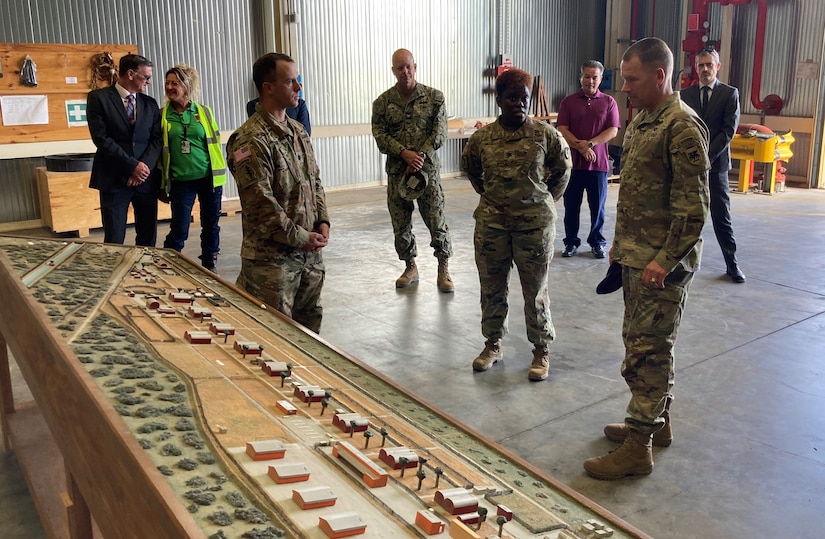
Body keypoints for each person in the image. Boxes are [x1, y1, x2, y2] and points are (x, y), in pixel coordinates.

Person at [583, 37, 710, 480]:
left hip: (662, 266)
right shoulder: (642, 122)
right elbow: (637, 192)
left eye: (632, 79)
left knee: (647, 353)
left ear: (660, 76)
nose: (625, 89)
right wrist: (619, 245)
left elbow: (693, 208)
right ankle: (658, 425)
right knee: (644, 345)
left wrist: (665, 259)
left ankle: (639, 447)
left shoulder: (682, 126)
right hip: (637, 258)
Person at [460, 68, 572, 381]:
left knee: (535, 291)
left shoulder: (544, 134)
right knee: (492, 288)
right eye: (512, 98)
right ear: (499, 100)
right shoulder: (483, 138)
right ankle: (493, 345)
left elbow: (563, 169)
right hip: (492, 226)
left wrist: (544, 201)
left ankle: (540, 350)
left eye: (524, 99)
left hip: (534, 228)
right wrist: (491, 196)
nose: (519, 104)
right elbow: (470, 169)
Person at [226, 53, 330, 333]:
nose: (298, 88)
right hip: (272, 267)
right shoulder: (249, 140)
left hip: (309, 260)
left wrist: (323, 221)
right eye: (290, 82)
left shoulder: (298, 131)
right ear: (267, 87)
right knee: (272, 343)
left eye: (297, 81)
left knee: (310, 343)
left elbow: (315, 181)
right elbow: (261, 206)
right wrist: (302, 237)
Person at [371, 48, 454, 292]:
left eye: (408, 66)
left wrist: (420, 155)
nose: (404, 71)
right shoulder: (382, 103)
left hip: (427, 172)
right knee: (400, 222)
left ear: (415, 66)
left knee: (436, 220)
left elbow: (440, 132)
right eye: (399, 68)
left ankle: (444, 269)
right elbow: (380, 134)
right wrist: (402, 152)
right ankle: (410, 266)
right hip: (398, 173)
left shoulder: (434, 97)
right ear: (393, 70)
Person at [681, 48, 745, 283]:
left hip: (716, 167)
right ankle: (681, 264)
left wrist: (705, 157)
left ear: (718, 67)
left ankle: (732, 264)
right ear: (696, 68)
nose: (705, 69)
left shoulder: (730, 94)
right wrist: (693, 158)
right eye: (701, 65)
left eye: (709, 65)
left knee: (721, 217)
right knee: (686, 215)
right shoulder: (685, 95)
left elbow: (729, 130)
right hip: (689, 166)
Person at [87, 53, 162, 246]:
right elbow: (101, 139)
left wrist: (142, 168)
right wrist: (132, 166)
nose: (149, 82)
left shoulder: (150, 104)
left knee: (147, 235)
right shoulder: (99, 98)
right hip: (113, 179)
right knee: (114, 236)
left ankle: (144, 269)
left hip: (145, 180)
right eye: (146, 77)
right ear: (130, 74)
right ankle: (115, 273)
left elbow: (157, 139)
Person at [159, 64, 227, 273]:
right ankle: (169, 262)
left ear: (187, 86)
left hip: (209, 178)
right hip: (181, 181)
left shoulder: (204, 112)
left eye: (175, 83)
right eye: (168, 83)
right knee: (179, 226)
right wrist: (161, 184)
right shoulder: (162, 115)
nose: (169, 87)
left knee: (211, 224)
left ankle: (209, 263)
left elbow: (214, 142)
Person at [557, 60, 620, 259]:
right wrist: (580, 146)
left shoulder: (609, 102)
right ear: (580, 77)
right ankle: (571, 242)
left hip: (599, 165)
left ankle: (597, 242)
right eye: (587, 76)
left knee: (598, 207)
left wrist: (590, 144)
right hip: (573, 165)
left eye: (595, 77)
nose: (590, 81)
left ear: (601, 79)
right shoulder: (568, 102)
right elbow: (562, 128)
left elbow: (612, 130)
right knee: (571, 206)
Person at [246, 96, 311, 135]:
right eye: (289, 82)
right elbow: (258, 133)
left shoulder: (299, 104)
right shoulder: (254, 105)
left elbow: (305, 134)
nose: (298, 87)